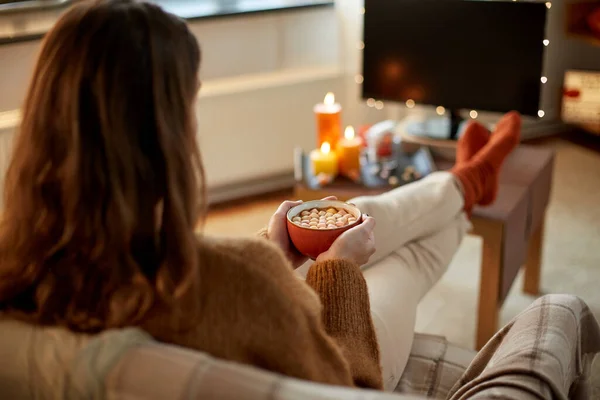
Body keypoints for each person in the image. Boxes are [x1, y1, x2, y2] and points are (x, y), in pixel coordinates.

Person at [0, 0, 520, 393]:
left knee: (362, 216)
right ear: (162, 134)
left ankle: (467, 181)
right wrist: (337, 272)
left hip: (269, 296)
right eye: (190, 100)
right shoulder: (238, 279)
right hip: (354, 355)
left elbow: (228, 281)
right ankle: (470, 183)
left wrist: (274, 255)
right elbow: (342, 385)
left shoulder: (19, 265)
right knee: (410, 252)